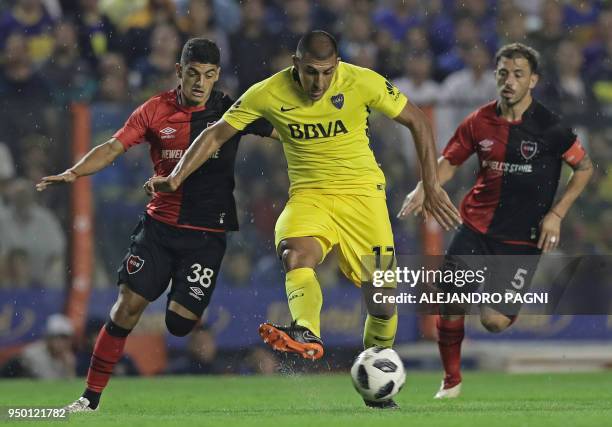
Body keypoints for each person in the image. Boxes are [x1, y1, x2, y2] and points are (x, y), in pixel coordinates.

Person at [147, 30, 461, 409]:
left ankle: (378, 373)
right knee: (295, 255)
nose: (319, 82)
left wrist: (430, 183)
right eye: (311, 72)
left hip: (364, 198)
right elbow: (216, 134)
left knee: (382, 301)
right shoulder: (268, 92)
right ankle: (306, 330)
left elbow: (417, 121)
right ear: (295, 65)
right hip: (309, 197)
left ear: (338, 66)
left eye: (327, 72)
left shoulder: (363, 81)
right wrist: (176, 176)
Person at [36, 38, 275, 412]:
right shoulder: (154, 110)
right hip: (160, 228)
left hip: (207, 234)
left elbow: (285, 132)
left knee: (180, 324)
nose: (200, 82)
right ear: (179, 71)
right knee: (127, 306)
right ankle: (89, 398)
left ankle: (180, 305)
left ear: (217, 77)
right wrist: (74, 171)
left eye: (208, 75)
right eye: (193, 73)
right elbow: (114, 146)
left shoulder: (231, 110)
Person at [398, 43, 593, 399]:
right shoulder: (479, 120)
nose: (509, 81)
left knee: (494, 321)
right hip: (475, 226)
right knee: (450, 297)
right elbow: (451, 160)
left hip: (522, 240)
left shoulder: (550, 127)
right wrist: (424, 187)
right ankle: (451, 380)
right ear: (495, 76)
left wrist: (557, 214)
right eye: (503, 73)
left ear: (532, 80)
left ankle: (500, 302)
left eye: (518, 74)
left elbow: (584, 167)